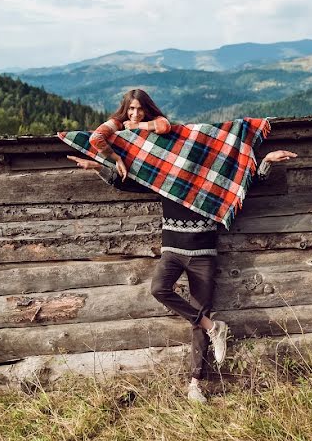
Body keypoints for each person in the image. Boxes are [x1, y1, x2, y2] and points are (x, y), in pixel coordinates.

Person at [68, 89, 296, 403]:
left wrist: (266, 160)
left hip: (204, 252)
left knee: (198, 318)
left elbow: (244, 181)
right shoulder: (162, 171)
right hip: (173, 249)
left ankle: (195, 385)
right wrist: (100, 166)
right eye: (130, 109)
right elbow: (127, 180)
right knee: (159, 289)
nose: (135, 113)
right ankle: (213, 327)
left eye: (140, 109)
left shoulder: (213, 174)